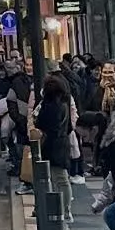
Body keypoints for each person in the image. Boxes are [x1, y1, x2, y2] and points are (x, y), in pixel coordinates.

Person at [33, 75, 76, 222]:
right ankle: (64, 209)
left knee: (56, 178)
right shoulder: (64, 102)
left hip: (50, 144)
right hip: (61, 144)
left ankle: (62, 210)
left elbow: (40, 122)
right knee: (60, 178)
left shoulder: (49, 105)